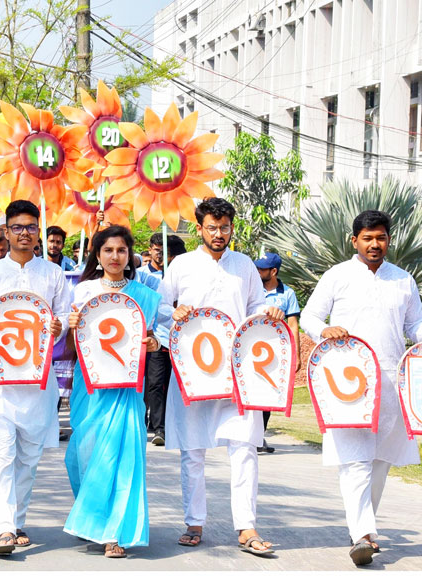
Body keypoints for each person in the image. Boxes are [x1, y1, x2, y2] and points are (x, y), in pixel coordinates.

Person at [158, 197, 283, 555]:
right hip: (193, 371)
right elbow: (161, 308)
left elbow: (256, 307)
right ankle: (194, 523)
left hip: (237, 373)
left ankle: (246, 527)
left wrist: (269, 310)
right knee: (192, 451)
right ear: (199, 228)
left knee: (245, 449)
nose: (218, 234)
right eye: (212, 228)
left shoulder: (243, 265)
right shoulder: (181, 264)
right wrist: (174, 311)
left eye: (225, 227)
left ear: (232, 227)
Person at [299, 210, 422, 567]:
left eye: (380, 237)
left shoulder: (403, 280)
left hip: (390, 379)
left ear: (388, 240)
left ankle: (365, 528)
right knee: (355, 461)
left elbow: (415, 325)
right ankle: (362, 535)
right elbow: (309, 316)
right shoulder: (338, 276)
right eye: (367, 238)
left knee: (381, 460)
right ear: (354, 241)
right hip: (346, 381)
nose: (374, 244)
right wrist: (325, 331)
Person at [0, 200, 70, 556]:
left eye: (31, 227)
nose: (24, 233)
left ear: (38, 231)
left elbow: (61, 320)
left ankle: (18, 520)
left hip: (38, 379)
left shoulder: (53, 274)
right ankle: (4, 529)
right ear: (6, 232)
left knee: (29, 455)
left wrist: (58, 329)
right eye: (17, 227)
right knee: (2, 451)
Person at [64, 225, 164, 558]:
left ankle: (114, 532)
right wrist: (73, 328)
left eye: (121, 250)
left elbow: (152, 337)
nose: (115, 256)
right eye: (108, 250)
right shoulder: (83, 291)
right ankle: (92, 516)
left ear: (130, 255)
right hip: (91, 384)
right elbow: (71, 342)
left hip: (126, 386)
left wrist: (154, 343)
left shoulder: (144, 294)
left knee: (122, 456)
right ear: (97, 254)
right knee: (84, 452)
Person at [253, 252, 301, 455]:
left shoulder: (287, 294)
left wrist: (296, 354)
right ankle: (250, 436)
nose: (257, 272)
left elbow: (293, 324)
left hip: (275, 351)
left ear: (274, 271)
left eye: (262, 269)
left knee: (268, 394)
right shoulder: (252, 290)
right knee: (251, 391)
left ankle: (258, 436)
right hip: (251, 348)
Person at [144, 234, 186, 446]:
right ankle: (159, 427)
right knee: (154, 383)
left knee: (175, 385)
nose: (162, 255)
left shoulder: (187, 274)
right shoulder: (144, 276)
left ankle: (174, 425)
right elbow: (156, 308)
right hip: (158, 338)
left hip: (185, 341)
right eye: (157, 250)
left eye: (166, 251)